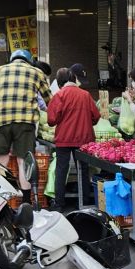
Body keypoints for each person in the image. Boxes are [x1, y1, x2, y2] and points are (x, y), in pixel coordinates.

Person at [0, 48, 50, 191]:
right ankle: (26, 201)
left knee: (1, 160)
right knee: (23, 161)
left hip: (0, 120)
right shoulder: (36, 72)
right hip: (25, 121)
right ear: (29, 61)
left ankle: (2, 196)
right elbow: (49, 99)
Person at [47, 66, 100, 209]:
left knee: (61, 170)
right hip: (84, 138)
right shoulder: (85, 95)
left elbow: (51, 120)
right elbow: (96, 116)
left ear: (59, 83)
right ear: (73, 79)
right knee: (83, 169)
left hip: (63, 138)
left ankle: (59, 204)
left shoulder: (59, 95)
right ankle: (85, 202)